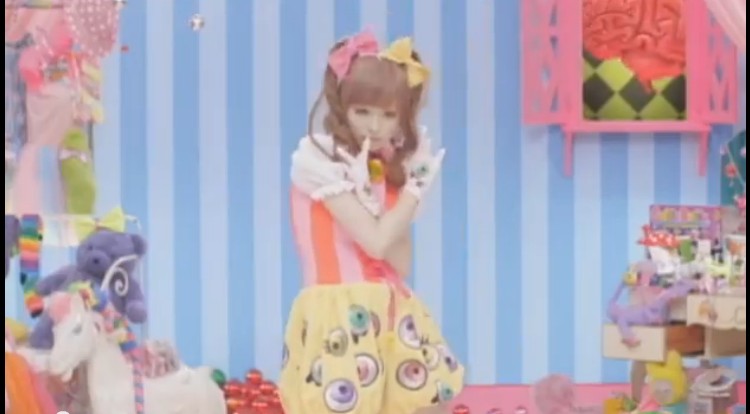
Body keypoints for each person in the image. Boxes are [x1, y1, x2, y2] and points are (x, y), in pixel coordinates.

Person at [278, 29, 464, 414]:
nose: (375, 126)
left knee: (426, 402)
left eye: (388, 114)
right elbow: (375, 243)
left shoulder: (390, 169)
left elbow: (400, 263)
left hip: (392, 309)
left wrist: (402, 186)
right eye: (363, 111)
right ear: (342, 107)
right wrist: (415, 189)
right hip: (338, 310)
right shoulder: (320, 160)